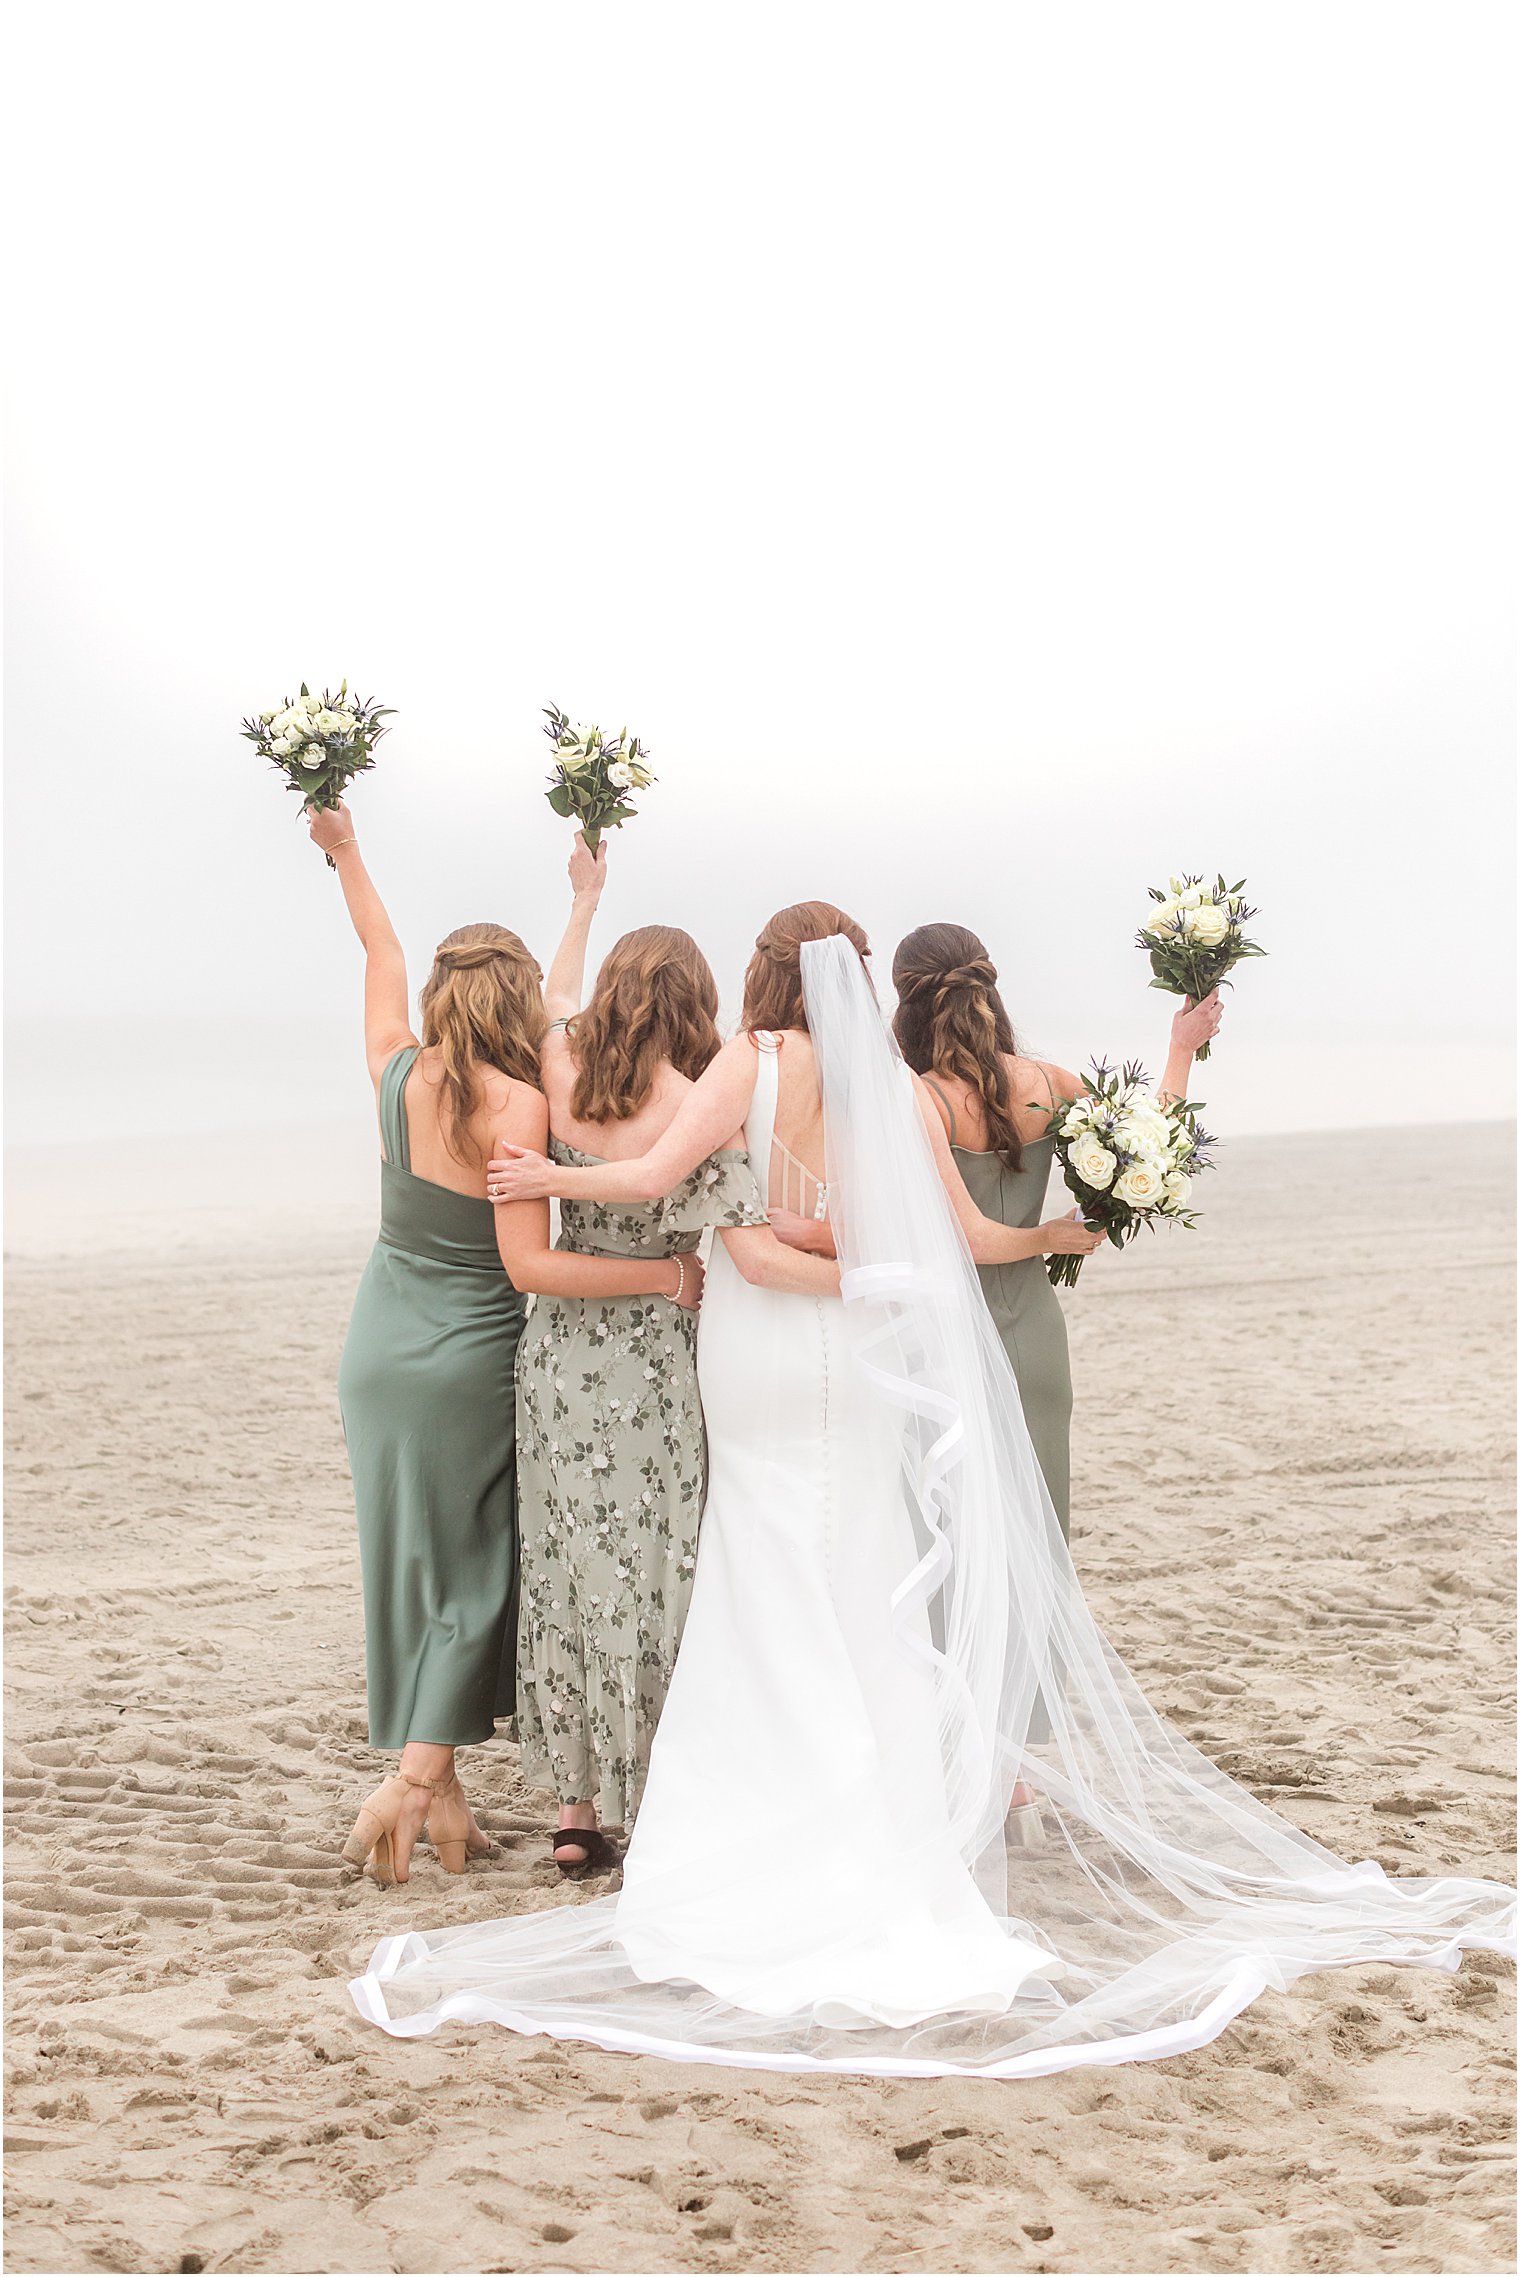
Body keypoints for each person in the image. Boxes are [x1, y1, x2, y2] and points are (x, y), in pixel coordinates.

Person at [350, 910, 1512, 2079]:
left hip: (754, 1357)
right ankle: (884, 1816)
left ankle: (753, 1821)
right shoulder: (875, 1087)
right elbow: (890, 1241)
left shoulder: (749, 1063)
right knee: (854, 1560)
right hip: (846, 1352)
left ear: (757, 978)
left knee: (759, 1557)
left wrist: (555, 1170)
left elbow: (663, 1180)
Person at [310, 805, 704, 1889]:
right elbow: (530, 1267)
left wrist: (345, 850)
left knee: (414, 1560)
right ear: (521, 1004)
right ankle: (413, 1776)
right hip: (468, 1355)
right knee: (481, 1567)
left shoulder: (394, 1073)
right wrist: (668, 1277)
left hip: (377, 1345)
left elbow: (379, 949)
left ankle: (444, 1797)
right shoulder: (519, 1105)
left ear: (441, 997)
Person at [495, 840, 838, 1877]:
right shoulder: (693, 1106)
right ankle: (656, 1793)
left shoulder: (553, 1072)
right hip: (652, 1360)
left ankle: (572, 1809)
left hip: (555, 1357)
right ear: (693, 1004)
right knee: (656, 1571)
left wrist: (582, 902)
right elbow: (744, 1243)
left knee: (561, 1565)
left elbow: (554, 992)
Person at [890, 921, 1221, 1547]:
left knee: (951, 1544)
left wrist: (1047, 1237)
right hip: (1036, 1332)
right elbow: (1150, 1147)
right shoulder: (1047, 1083)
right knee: (1039, 1538)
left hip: (945, 1341)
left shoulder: (918, 1099)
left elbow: (972, 1239)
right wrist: (1180, 1049)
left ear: (907, 1005)